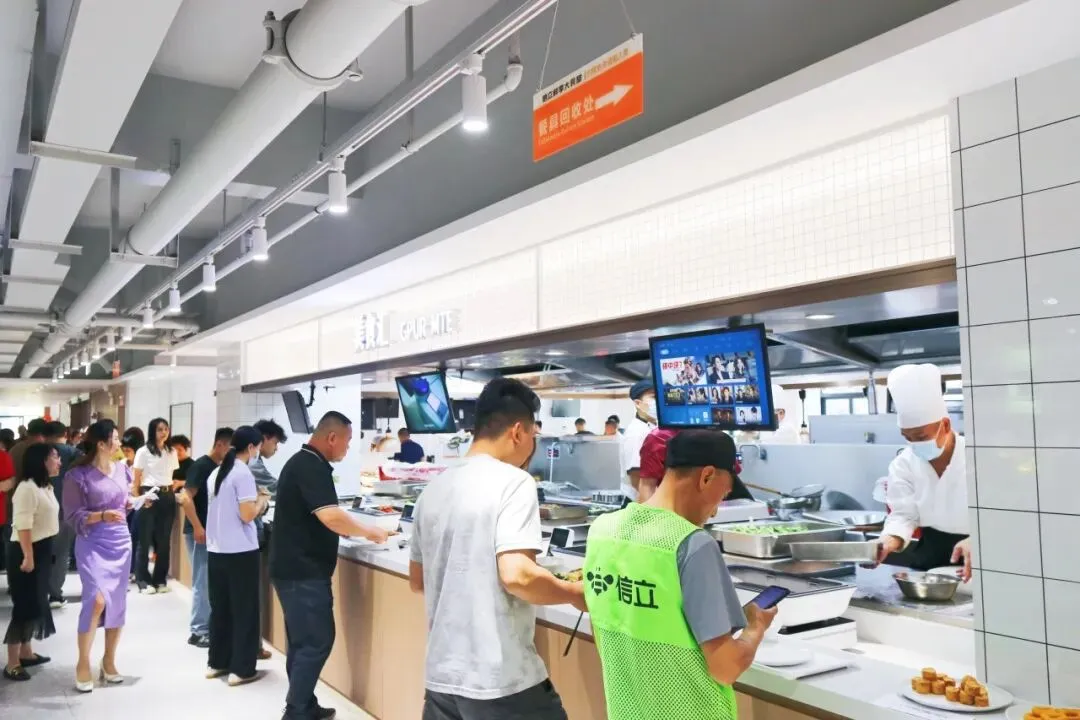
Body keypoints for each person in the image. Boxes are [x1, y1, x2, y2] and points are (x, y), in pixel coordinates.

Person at [409, 378, 585, 720]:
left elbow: (418, 580)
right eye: (533, 435)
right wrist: (573, 593)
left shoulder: (434, 488)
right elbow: (518, 576)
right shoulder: (514, 482)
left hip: (442, 680)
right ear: (518, 432)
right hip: (501, 682)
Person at [585, 431, 776, 720]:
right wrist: (755, 628)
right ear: (706, 477)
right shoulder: (691, 544)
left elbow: (602, 634)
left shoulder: (603, 529)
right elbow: (725, 668)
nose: (716, 511)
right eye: (723, 495)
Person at [270, 412, 391, 720]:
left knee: (302, 643)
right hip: (302, 572)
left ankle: (304, 703)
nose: (348, 449)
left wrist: (352, 528)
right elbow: (331, 516)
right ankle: (296, 711)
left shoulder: (304, 462)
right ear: (332, 438)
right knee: (316, 641)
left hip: (293, 569)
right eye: (347, 442)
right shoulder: (310, 466)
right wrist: (370, 531)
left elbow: (323, 515)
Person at [877, 364, 971, 579]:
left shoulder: (979, 456)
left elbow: (1006, 512)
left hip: (978, 553)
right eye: (907, 437)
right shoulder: (903, 464)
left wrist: (981, 540)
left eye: (920, 437)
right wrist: (888, 541)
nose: (914, 444)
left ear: (945, 425)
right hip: (930, 554)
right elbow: (903, 515)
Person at [63, 420, 134, 692]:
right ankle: (83, 662)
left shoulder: (123, 470)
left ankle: (109, 660)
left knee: (116, 601)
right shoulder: (77, 475)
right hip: (92, 541)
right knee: (96, 600)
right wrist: (101, 516)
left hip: (120, 540)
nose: (119, 442)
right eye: (115, 438)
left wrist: (135, 502)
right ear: (101, 444)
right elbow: (72, 515)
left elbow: (124, 502)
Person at [205, 426, 270, 687]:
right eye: (258, 448)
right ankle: (242, 669)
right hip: (241, 552)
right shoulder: (242, 473)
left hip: (217, 550)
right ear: (252, 447)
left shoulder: (217, 472)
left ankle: (218, 661)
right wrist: (262, 500)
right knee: (244, 611)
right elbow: (247, 514)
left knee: (221, 609)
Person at [4, 443, 61, 681]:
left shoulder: (45, 486)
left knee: (36, 603)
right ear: (42, 461)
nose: (59, 461)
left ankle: (26, 652)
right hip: (26, 550)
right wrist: (28, 556)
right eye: (55, 457)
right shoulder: (26, 488)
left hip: (42, 548)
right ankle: (12, 663)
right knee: (25, 605)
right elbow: (23, 525)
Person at [177, 427, 233, 648]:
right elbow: (185, 498)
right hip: (199, 533)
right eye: (230, 448)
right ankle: (198, 630)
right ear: (220, 444)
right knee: (202, 581)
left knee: (208, 581)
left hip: (209, 533)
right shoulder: (201, 466)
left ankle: (206, 627)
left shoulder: (217, 467)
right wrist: (198, 526)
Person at [250, 419, 287, 662]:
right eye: (275, 442)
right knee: (250, 596)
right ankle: (251, 648)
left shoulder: (244, 463)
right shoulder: (252, 464)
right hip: (247, 538)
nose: (276, 448)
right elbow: (276, 488)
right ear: (263, 439)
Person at [132, 418, 179, 593]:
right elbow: (136, 480)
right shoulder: (143, 452)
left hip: (167, 494)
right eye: (160, 429)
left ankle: (160, 580)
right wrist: (139, 498)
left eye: (166, 429)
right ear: (153, 431)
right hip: (149, 493)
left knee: (164, 540)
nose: (164, 432)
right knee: (144, 540)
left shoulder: (171, 451)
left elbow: (170, 474)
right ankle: (143, 580)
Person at [45, 421, 79, 608]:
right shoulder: (74, 453)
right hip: (66, 510)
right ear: (65, 434)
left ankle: (39, 591)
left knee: (43, 551)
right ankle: (55, 595)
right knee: (62, 553)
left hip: (42, 509)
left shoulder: (39, 452)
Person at [620, 379, 657, 501]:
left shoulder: (651, 427)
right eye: (653, 397)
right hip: (639, 502)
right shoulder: (636, 433)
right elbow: (636, 477)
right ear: (638, 403)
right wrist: (653, 505)